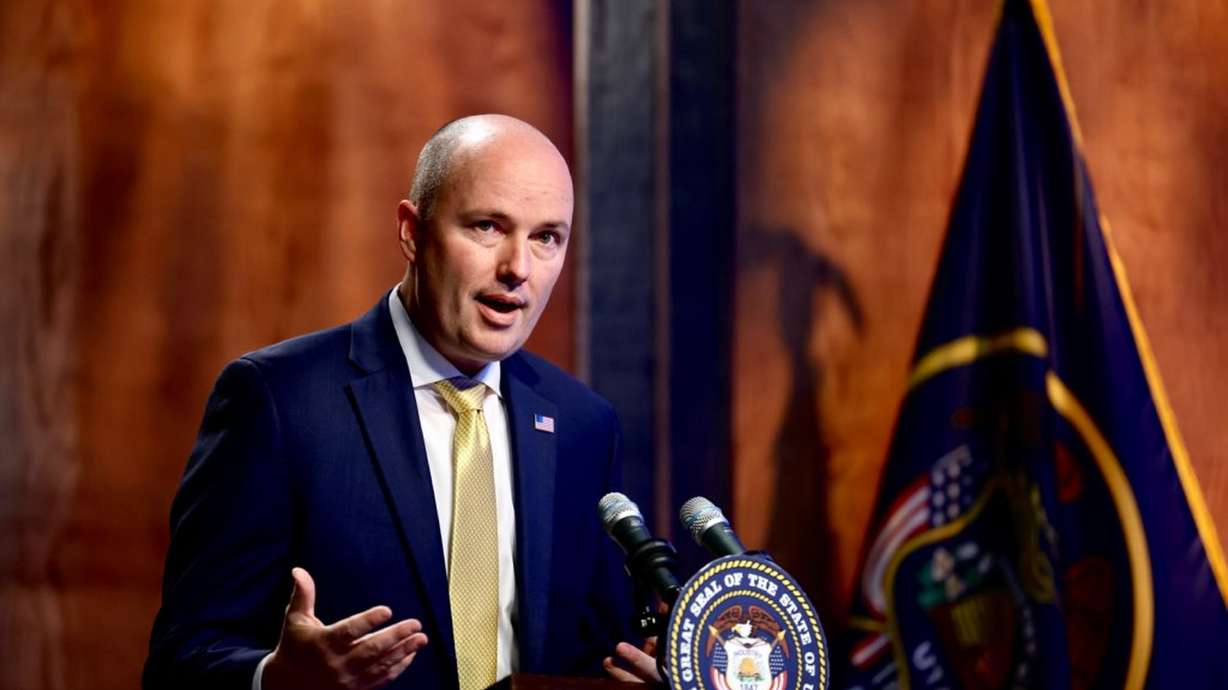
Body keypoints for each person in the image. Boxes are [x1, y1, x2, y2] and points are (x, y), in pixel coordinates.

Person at [143, 115, 659, 690]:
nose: (519, 269)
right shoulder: (277, 401)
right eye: (488, 227)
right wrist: (277, 679)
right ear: (412, 232)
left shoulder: (583, 425)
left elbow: (595, 653)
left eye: (546, 238)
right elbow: (180, 662)